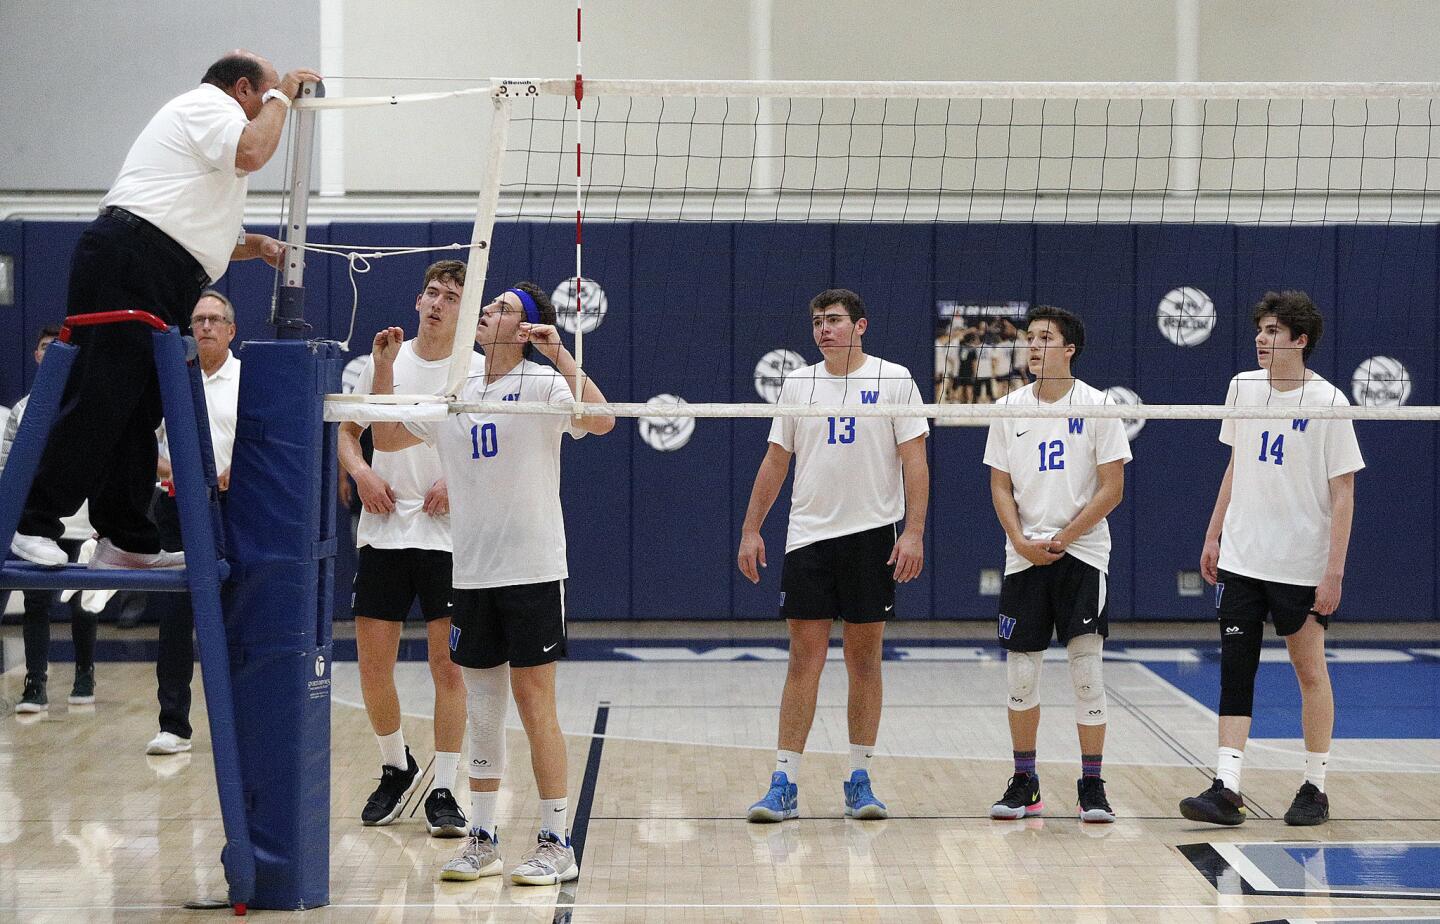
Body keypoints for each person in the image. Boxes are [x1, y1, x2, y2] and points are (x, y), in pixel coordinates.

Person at [9, 51, 320, 570]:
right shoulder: (207, 107)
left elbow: (190, 225)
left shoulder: (209, 135)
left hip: (160, 269)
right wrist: (283, 95)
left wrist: (255, 245)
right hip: (129, 261)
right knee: (99, 398)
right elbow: (253, 153)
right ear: (243, 90)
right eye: (263, 98)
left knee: (138, 410)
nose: (269, 109)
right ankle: (32, 520)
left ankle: (126, 538)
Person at [368, 282, 614, 885]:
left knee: (535, 704)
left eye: (501, 307)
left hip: (532, 568)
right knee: (481, 706)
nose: (486, 311)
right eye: (489, 305)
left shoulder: (545, 383)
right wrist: (381, 370)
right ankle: (482, 837)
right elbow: (387, 436)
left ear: (526, 326)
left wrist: (560, 354)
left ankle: (557, 840)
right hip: (472, 571)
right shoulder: (460, 386)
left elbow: (602, 419)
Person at [738, 288, 929, 824]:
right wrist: (752, 529)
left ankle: (859, 777)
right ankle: (783, 781)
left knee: (865, 661)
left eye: (835, 321)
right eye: (818, 321)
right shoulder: (799, 383)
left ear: (860, 326)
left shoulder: (894, 378)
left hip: (872, 535)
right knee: (805, 661)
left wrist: (912, 533)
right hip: (810, 538)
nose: (825, 329)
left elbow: (915, 463)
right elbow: (776, 462)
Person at [1180, 291, 1362, 828]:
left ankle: (1315, 787)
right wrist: (1213, 534)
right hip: (1243, 556)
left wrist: (1333, 572)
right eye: (1261, 329)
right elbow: (1236, 465)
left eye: (1275, 331)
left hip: (1301, 564)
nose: (1263, 339)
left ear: (1300, 340)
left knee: (1310, 672)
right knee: (1236, 671)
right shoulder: (1242, 387)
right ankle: (1226, 787)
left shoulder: (1329, 402)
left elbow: (1344, 493)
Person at [337, 261, 481, 836]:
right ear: (418, 300)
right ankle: (396, 766)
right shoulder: (384, 358)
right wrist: (363, 473)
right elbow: (350, 433)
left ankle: (445, 786)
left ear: (463, 309)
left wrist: (461, 479)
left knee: (448, 665)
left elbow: (490, 445)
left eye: (451, 295)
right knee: (373, 663)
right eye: (432, 293)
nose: (439, 302)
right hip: (385, 528)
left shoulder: (474, 369)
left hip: (448, 536)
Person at [982, 306, 1131, 823]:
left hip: (1083, 552)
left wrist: (1066, 537)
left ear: (1069, 349)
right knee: (1021, 675)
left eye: (1045, 338)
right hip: (1023, 555)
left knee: (1087, 672)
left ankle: (1092, 783)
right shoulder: (1008, 407)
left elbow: (1113, 487)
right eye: (1030, 339)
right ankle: (1025, 781)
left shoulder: (1097, 405)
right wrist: (1021, 540)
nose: (1034, 347)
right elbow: (999, 484)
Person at [143, 290, 243, 755]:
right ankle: (174, 725)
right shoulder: (171, 379)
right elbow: (145, 443)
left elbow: (258, 444)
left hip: (231, 508)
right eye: (197, 319)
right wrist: (167, 468)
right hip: (176, 511)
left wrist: (232, 474)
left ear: (230, 330)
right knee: (176, 619)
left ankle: (241, 722)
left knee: (236, 615)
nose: (204, 326)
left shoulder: (247, 379)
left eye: (213, 319)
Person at [4, 328, 102, 713]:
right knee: (36, 602)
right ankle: (36, 682)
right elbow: (9, 465)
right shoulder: (23, 410)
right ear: (38, 355)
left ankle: (84, 673)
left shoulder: (86, 406)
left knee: (83, 603)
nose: (52, 353)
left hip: (82, 521)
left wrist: (102, 521)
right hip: (37, 527)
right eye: (46, 347)